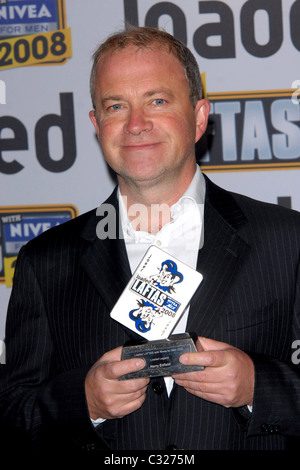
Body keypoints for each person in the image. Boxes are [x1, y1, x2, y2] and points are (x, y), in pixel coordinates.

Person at [0, 25, 300, 454]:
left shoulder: (288, 242)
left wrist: (258, 387)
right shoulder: (45, 261)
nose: (136, 124)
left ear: (199, 117)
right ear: (96, 124)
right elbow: (13, 411)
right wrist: (81, 402)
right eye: (116, 105)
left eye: (157, 100)